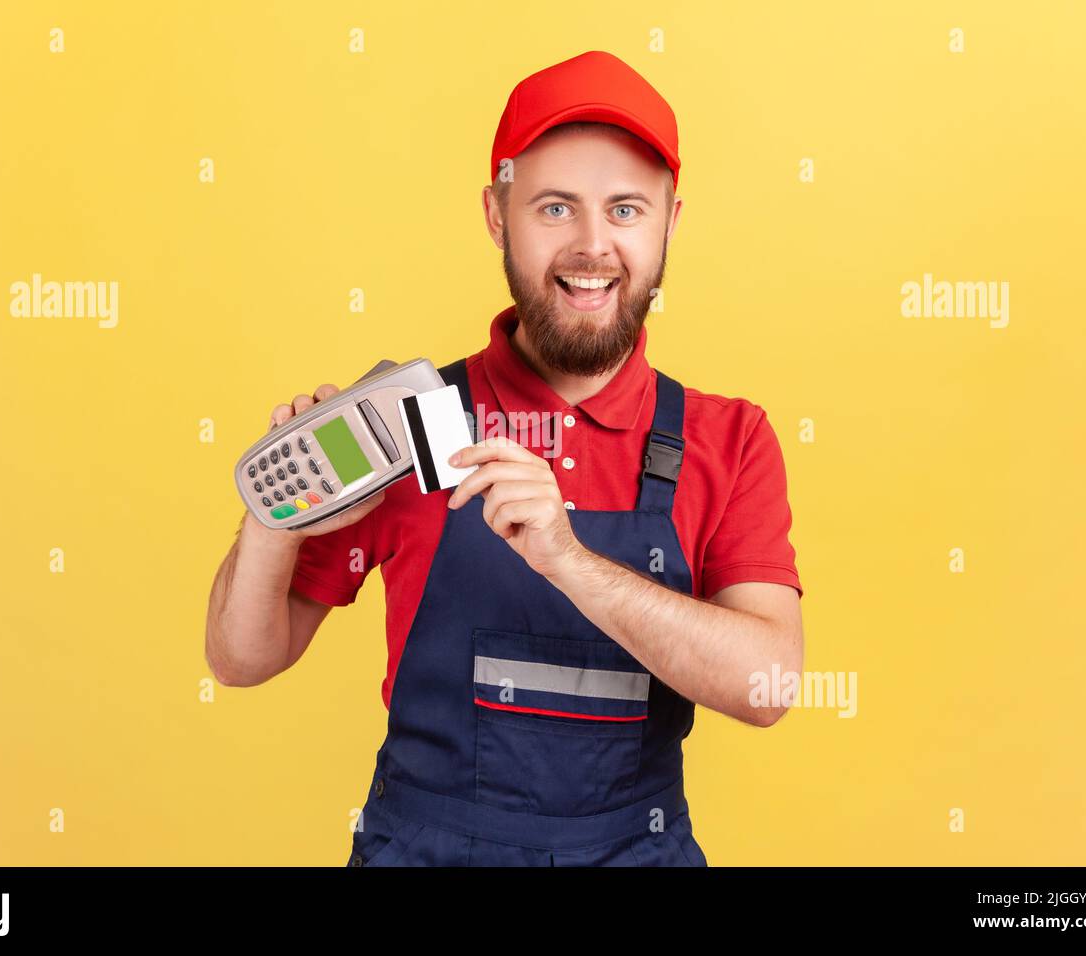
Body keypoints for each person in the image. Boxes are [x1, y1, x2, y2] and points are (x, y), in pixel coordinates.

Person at [205, 50, 804, 866]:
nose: (593, 247)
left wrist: (569, 561)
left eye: (626, 209)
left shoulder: (728, 439)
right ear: (497, 214)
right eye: (554, 208)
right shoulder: (407, 425)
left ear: (671, 220)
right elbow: (240, 659)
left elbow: (768, 686)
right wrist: (277, 520)